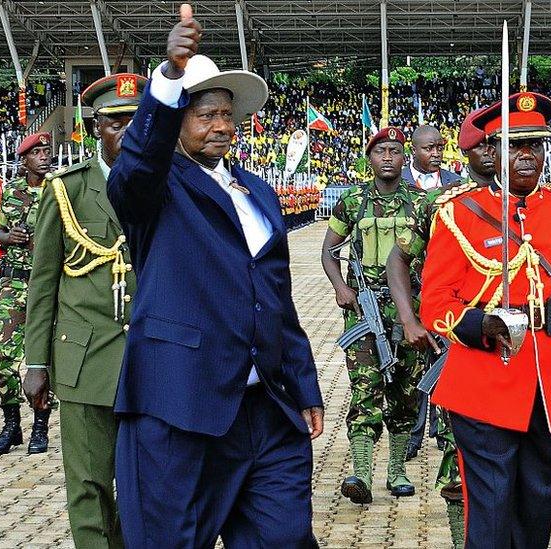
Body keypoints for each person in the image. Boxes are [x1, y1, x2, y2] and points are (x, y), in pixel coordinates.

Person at [107, 6, 323, 547]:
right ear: (178, 121)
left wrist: (302, 381)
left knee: (284, 535)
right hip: (179, 405)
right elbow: (136, 169)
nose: (221, 125)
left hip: (263, 409)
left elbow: (275, 296)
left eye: (227, 114)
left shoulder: (259, 192)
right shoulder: (156, 189)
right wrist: (169, 81)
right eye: (204, 114)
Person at [419, 92, 551, 547]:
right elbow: (435, 304)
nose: (527, 156)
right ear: (493, 151)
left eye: (536, 145)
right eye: (514, 145)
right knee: (490, 508)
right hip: (484, 381)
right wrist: (480, 325)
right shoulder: (458, 214)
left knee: (539, 502)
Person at [23, 73, 148, 548]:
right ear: (96, 127)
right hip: (85, 360)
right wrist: (36, 363)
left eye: (139, 123)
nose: (128, 133)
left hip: (151, 357)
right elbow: (43, 284)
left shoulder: (167, 184)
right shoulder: (67, 190)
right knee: (90, 487)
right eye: (116, 122)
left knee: (147, 486)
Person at [384, 107, 496, 548]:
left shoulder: (530, 203)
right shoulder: (443, 203)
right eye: (482, 145)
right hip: (459, 346)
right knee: (458, 450)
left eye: (497, 144)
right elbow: (398, 258)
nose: (490, 152)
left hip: (520, 354)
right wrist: (410, 318)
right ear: (466, 152)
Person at [321, 126, 429, 504]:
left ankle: (397, 469)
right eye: (380, 150)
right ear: (369, 157)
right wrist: (341, 287)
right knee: (365, 389)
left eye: (395, 151)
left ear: (406, 158)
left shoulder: (421, 203)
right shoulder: (352, 201)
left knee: (405, 393)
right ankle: (361, 473)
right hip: (364, 310)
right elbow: (328, 251)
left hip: (408, 312)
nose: (388, 157)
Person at [0, 131, 54, 456]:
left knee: (46, 359)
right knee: (3, 357)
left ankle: (40, 426)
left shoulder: (59, 188)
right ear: (24, 159)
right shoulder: (11, 191)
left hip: (48, 286)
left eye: (46, 150)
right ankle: (11, 424)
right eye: (37, 152)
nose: (44, 156)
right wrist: (7, 236)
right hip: (13, 285)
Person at [403, 125, 462, 190]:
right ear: (413, 150)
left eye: (440, 148)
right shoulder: (395, 181)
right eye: (428, 149)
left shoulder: (458, 183)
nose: (436, 154)